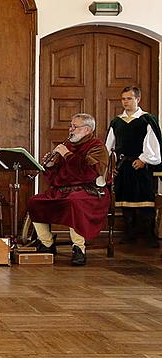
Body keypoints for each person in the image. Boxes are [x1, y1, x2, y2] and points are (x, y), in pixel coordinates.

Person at [27, 113, 110, 266]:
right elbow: (56, 178)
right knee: (35, 201)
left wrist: (67, 154)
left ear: (86, 130)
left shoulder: (97, 147)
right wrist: (50, 167)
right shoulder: (69, 145)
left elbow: (87, 173)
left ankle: (79, 248)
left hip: (89, 191)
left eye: (74, 126)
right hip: (65, 190)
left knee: (74, 202)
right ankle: (46, 243)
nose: (70, 130)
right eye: (70, 126)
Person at [105, 86, 162, 248]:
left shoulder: (146, 120)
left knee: (145, 201)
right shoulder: (117, 122)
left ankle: (149, 235)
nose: (126, 102)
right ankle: (130, 233)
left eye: (129, 99)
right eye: (123, 99)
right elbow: (109, 146)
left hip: (141, 167)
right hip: (124, 166)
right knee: (125, 201)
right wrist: (112, 166)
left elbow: (153, 143)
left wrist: (144, 159)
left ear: (138, 99)